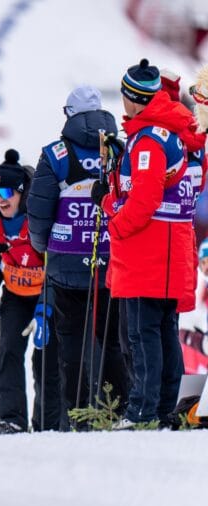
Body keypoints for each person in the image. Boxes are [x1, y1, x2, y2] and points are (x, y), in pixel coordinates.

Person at [94, 59, 206, 428]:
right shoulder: (175, 133)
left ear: (131, 97)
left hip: (148, 252)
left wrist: (114, 220)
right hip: (169, 249)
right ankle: (163, 409)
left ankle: (143, 411)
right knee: (163, 332)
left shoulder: (149, 141)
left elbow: (143, 202)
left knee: (142, 335)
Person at [27, 85, 128, 429]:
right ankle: (116, 411)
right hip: (111, 260)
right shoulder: (120, 148)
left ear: (69, 114)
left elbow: (38, 211)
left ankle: (79, 415)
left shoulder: (55, 154)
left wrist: (42, 246)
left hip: (67, 261)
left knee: (71, 343)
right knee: (112, 341)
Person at [0, 149, 61, 434]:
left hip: (45, 295)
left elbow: (55, 264)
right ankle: (11, 418)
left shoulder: (38, 216)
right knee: (9, 352)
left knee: (45, 358)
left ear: (22, 192)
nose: (0, 199)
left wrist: (45, 307)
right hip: (15, 295)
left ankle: (48, 422)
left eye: (6, 192)